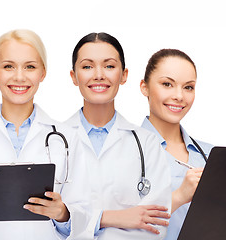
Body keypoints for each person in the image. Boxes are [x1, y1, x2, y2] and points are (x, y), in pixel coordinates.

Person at [0, 29, 90, 240]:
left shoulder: (67, 137)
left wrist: (62, 213)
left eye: (30, 66)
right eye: (8, 66)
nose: (19, 76)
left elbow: (83, 215)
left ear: (43, 73)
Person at [139, 48, 226, 239]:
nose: (179, 96)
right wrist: (178, 196)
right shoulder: (121, 150)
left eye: (188, 87)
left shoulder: (211, 156)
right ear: (144, 87)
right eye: (167, 84)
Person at [65, 32, 172, 239]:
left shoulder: (147, 143)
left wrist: (83, 223)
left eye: (109, 66)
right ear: (74, 76)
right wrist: (111, 218)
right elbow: (47, 226)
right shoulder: (53, 141)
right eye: (87, 66)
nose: (98, 75)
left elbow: (156, 226)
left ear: (124, 75)